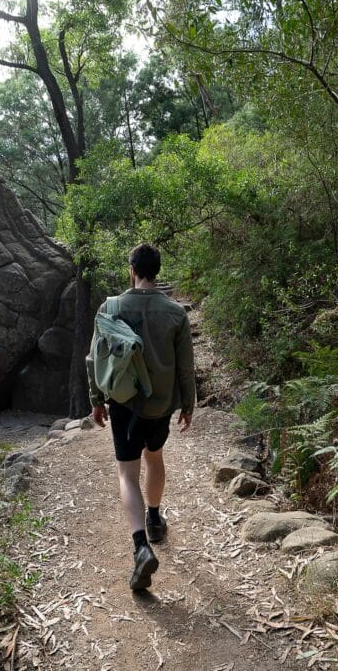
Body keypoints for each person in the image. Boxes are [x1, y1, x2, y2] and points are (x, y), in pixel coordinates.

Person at [87, 243, 196, 591]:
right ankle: (154, 517)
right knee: (156, 457)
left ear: (131, 269)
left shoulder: (111, 307)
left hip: (123, 404)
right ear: (157, 271)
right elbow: (185, 367)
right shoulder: (176, 313)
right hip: (160, 404)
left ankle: (140, 546)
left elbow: (94, 360)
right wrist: (188, 405)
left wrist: (96, 399)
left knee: (127, 473)